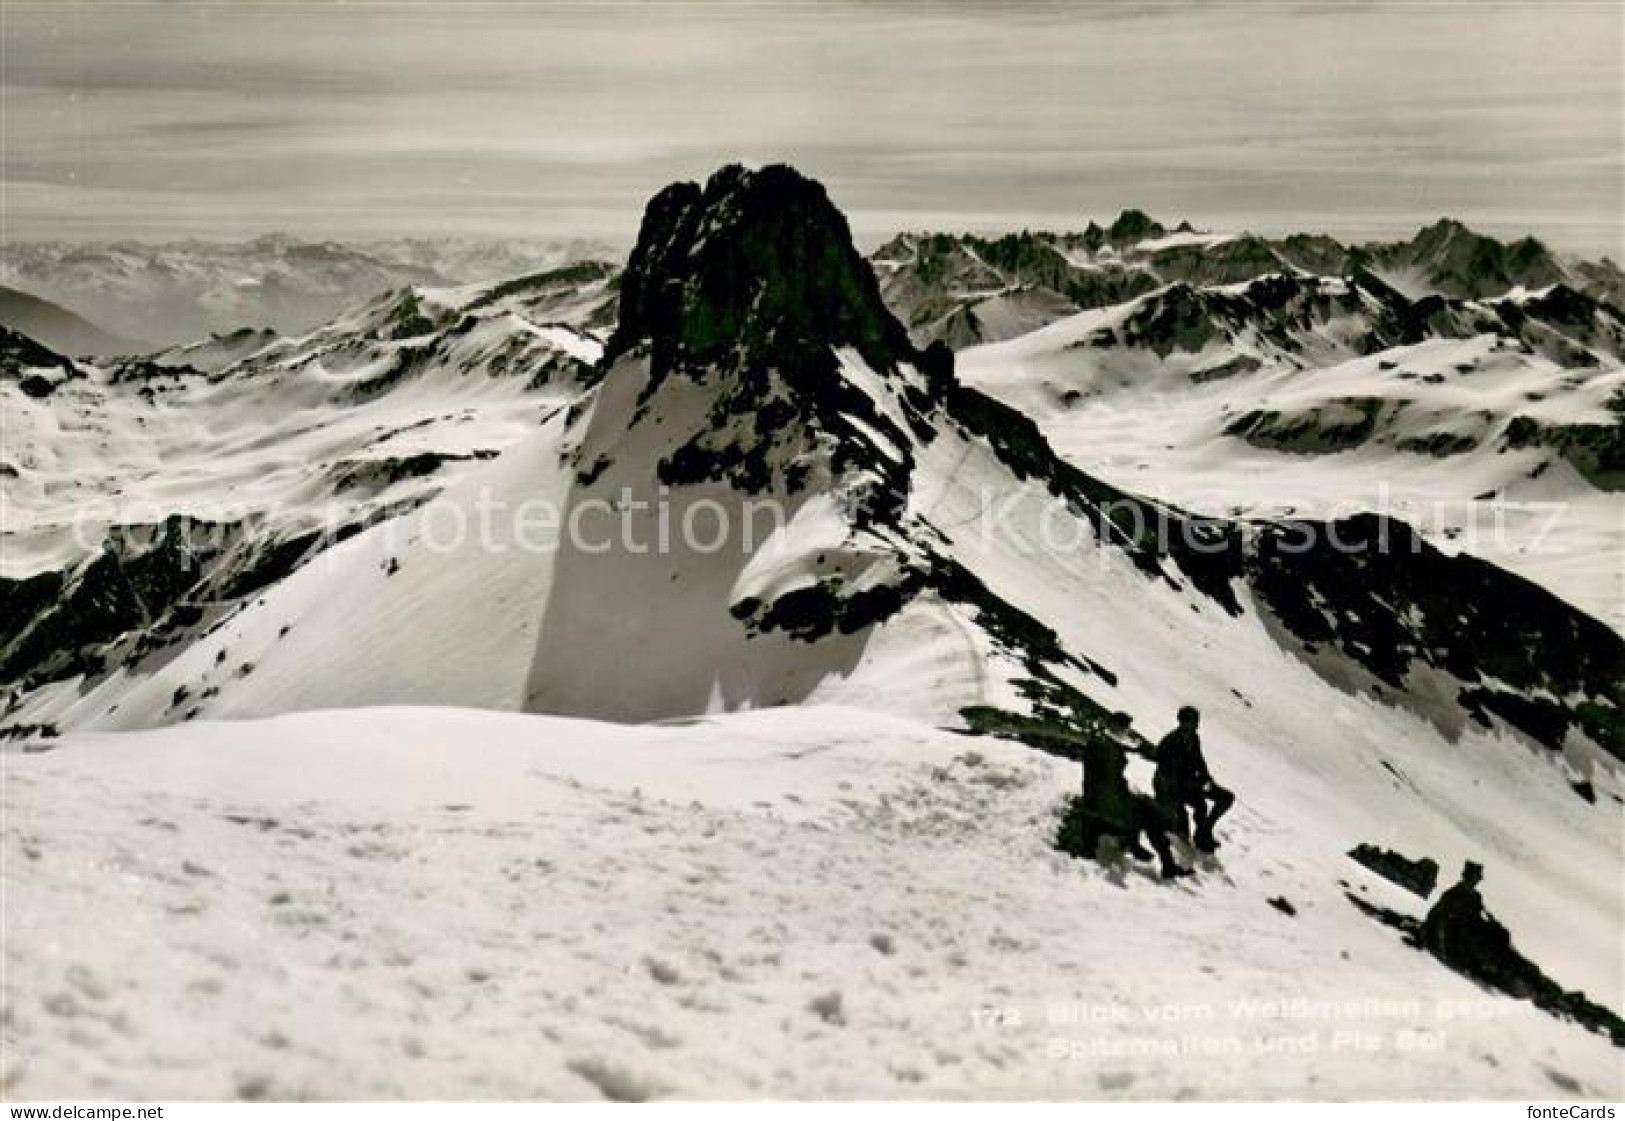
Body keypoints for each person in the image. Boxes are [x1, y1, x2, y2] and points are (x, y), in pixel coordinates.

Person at [1064, 718, 1184, 880]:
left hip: (1101, 797)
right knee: (1149, 813)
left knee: (1144, 807)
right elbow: (1110, 781)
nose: (1126, 733)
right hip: (1105, 802)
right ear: (1117, 729)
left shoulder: (1102, 743)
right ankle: (1164, 862)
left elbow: (1110, 779)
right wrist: (1130, 795)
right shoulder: (1108, 748)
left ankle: (1141, 848)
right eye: (1125, 729)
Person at [1152, 706, 1235, 854]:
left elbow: (1199, 762)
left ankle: (1204, 831)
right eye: (1193, 721)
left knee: (1226, 797)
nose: (1196, 725)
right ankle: (1201, 838)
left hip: (1190, 783)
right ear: (1182, 722)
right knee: (1200, 805)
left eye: (1197, 721)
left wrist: (1208, 779)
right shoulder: (1170, 742)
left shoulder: (1194, 738)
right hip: (1172, 787)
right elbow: (1165, 772)